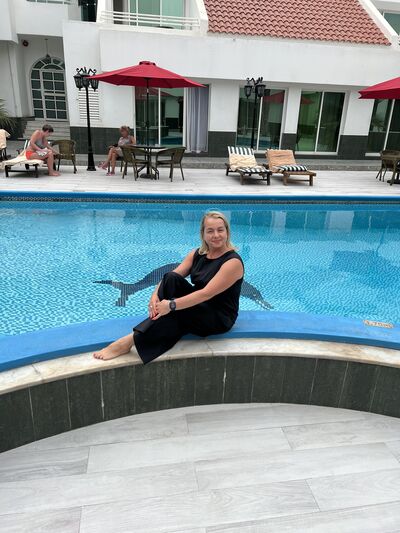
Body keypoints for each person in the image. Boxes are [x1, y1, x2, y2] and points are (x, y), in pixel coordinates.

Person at [94, 211, 244, 364]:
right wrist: (155, 295)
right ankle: (158, 319)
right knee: (171, 278)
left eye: (220, 230)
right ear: (203, 234)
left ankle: (127, 342)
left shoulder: (232, 262)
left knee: (176, 311)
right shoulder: (197, 254)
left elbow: (205, 294)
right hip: (199, 306)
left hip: (218, 316)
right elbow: (172, 275)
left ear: (227, 232)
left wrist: (171, 305)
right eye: (210, 231)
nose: (216, 235)